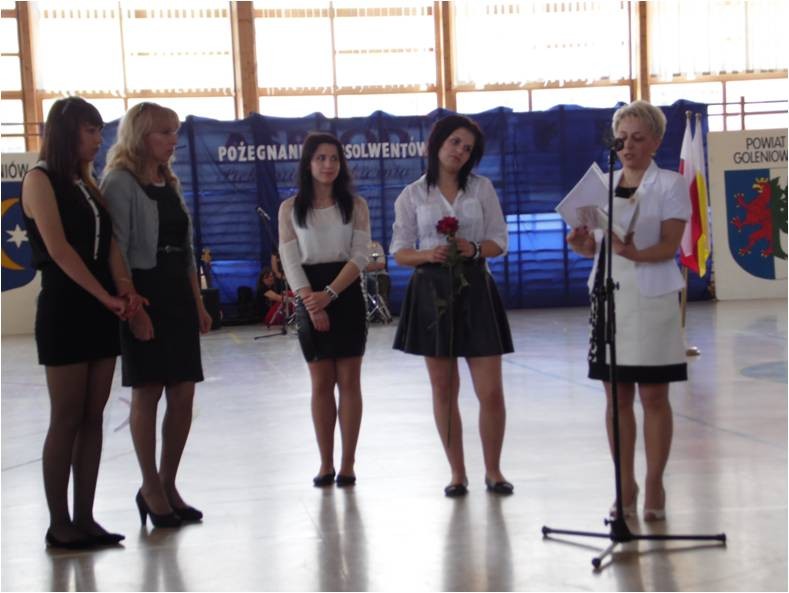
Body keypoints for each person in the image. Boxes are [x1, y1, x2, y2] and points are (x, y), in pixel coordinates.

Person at [20, 96, 144, 548]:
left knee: (93, 417)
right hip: (66, 308)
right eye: (90, 131)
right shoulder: (40, 179)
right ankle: (59, 523)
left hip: (99, 308)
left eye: (98, 131)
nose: (97, 139)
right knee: (67, 417)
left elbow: (108, 246)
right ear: (66, 132)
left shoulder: (87, 184)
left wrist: (125, 289)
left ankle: (85, 516)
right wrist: (104, 296)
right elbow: (59, 251)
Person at [566, 100, 690, 521]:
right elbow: (595, 247)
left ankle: (654, 481)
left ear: (655, 141)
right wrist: (583, 245)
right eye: (622, 139)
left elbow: (669, 246)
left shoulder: (670, 184)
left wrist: (634, 253)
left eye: (638, 138)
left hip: (652, 298)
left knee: (654, 396)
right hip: (609, 298)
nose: (629, 146)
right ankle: (625, 483)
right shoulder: (601, 184)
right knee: (616, 398)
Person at [101, 102, 213, 528]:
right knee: (147, 391)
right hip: (143, 292)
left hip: (177, 293)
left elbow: (185, 250)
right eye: (165, 132)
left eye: (175, 131)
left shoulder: (169, 181)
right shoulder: (120, 182)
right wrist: (132, 307)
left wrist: (198, 303)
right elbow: (116, 249)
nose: (173, 140)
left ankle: (168, 483)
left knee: (183, 392)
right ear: (141, 135)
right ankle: (149, 485)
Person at [390, 114, 514, 497]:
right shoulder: (412, 194)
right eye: (455, 142)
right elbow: (399, 251)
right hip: (431, 293)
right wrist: (428, 254)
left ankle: (494, 471)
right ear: (437, 143)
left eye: (468, 148)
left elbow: (499, 240)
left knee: (490, 391)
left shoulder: (482, 188)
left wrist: (473, 248)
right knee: (444, 390)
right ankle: (457, 473)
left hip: (476, 288)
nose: (460, 151)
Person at [278, 132, 370, 488]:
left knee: (349, 382)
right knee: (320, 383)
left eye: (334, 158)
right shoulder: (290, 208)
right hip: (308, 293)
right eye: (320, 158)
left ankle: (347, 464)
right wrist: (311, 301)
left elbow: (360, 255)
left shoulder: (356, 205)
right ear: (308, 163)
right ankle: (325, 463)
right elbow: (290, 260)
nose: (328, 165)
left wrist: (330, 294)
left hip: (344, 292)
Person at [365, 239, 390, 311]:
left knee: (378, 281)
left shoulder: (376, 246)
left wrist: (361, 267)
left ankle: (381, 311)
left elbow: (381, 265)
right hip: (359, 276)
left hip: (378, 275)